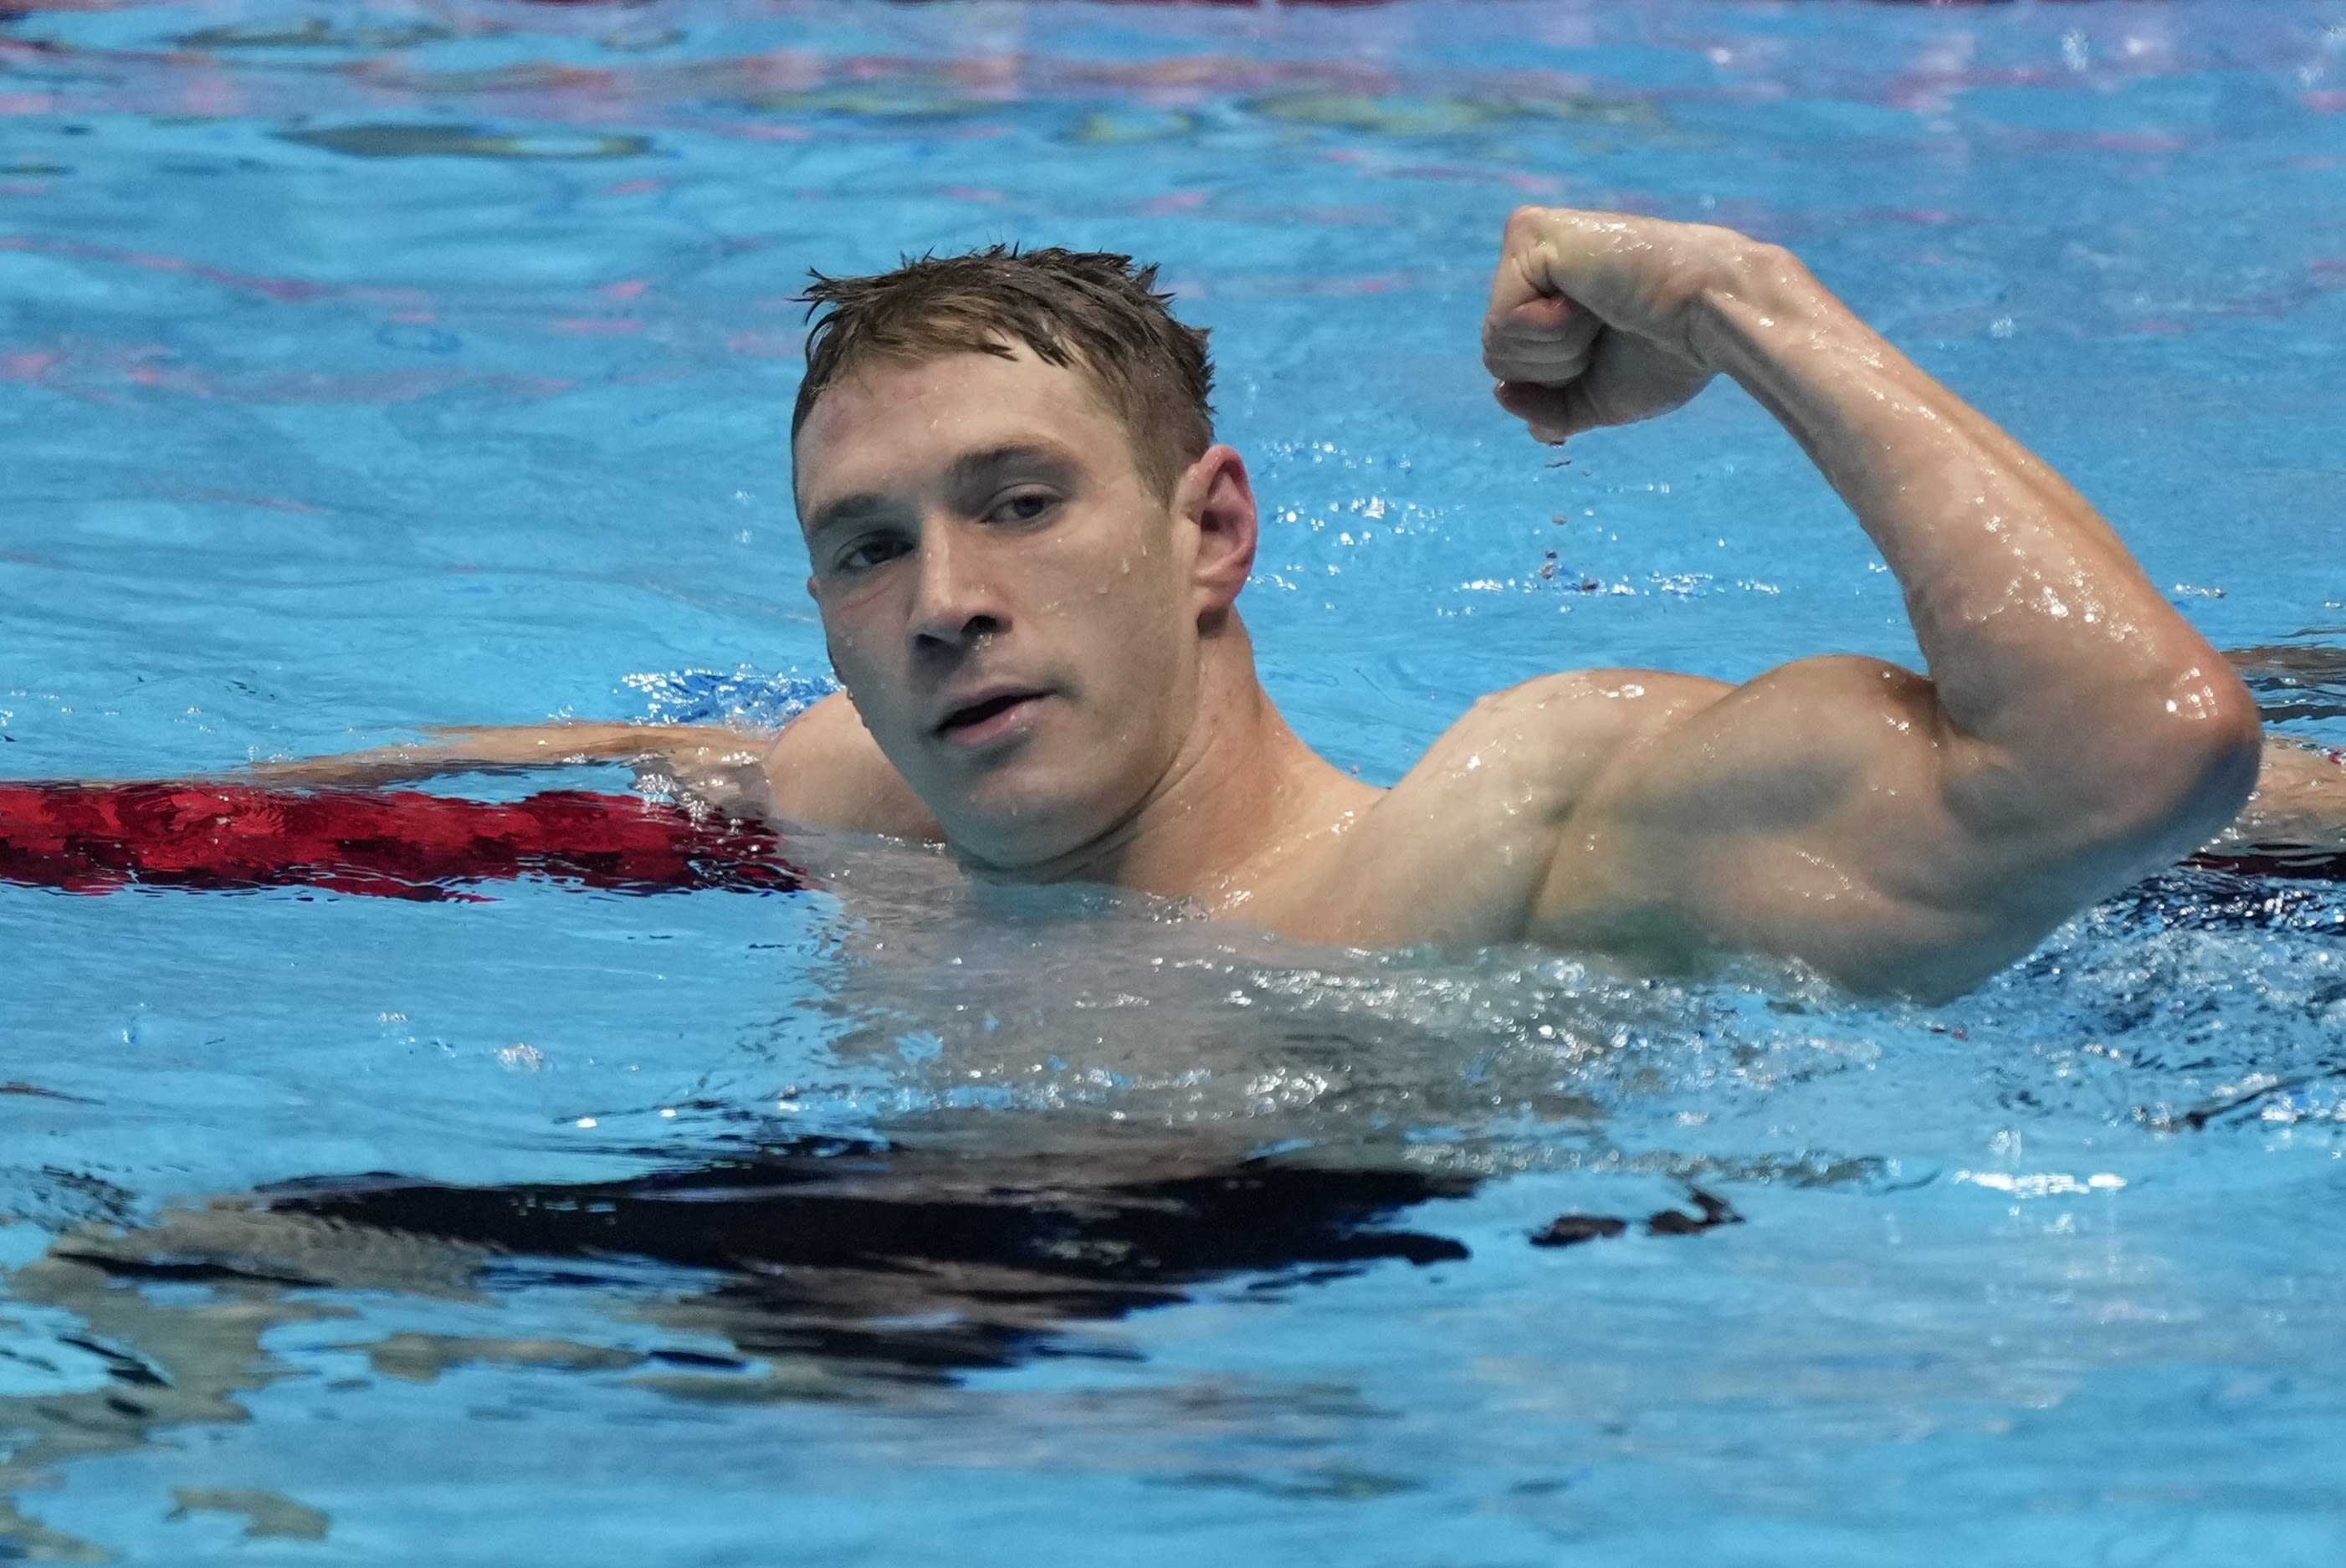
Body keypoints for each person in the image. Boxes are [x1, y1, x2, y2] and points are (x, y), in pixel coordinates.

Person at [245, 206, 2317, 1001]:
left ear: (1210, 533)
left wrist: (1734, 303)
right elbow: (626, 763)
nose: (944, 605)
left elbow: (2131, 748)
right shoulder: (876, 814)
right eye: (868, 550)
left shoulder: (1509, 847)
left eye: (1021, 504)